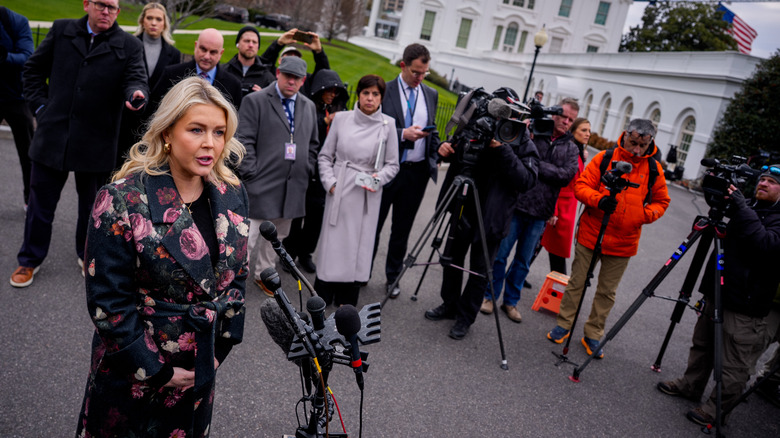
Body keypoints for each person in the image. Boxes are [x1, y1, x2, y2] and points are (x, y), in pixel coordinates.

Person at [75, 76, 248, 437]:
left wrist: (219, 350)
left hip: (199, 371)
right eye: (196, 129)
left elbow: (236, 280)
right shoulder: (122, 199)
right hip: (135, 376)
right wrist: (158, 370)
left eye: (219, 132)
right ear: (167, 132)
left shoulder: (230, 192)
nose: (209, 144)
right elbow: (108, 302)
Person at [10, 0, 147, 288]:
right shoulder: (62, 31)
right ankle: (29, 260)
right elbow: (33, 70)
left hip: (96, 141)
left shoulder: (129, 45)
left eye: (113, 7)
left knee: (92, 208)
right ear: (87, 5)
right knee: (40, 206)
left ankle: (87, 256)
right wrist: (39, 108)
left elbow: (137, 78)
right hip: (53, 135)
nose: (107, 11)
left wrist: (136, 93)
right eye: (101, 5)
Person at [657, 166, 780, 426]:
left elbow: (767, 245)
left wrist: (743, 209)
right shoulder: (747, 205)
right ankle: (690, 385)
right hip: (720, 289)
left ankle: (716, 409)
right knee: (702, 344)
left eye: (772, 182)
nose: (764, 184)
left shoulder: (767, 214)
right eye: (763, 180)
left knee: (734, 363)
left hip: (747, 303)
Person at [546, 119, 670, 357]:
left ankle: (593, 334)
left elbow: (661, 201)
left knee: (607, 292)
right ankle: (564, 324)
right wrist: (599, 200)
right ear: (625, 135)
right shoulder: (605, 157)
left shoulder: (654, 168)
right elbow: (581, 186)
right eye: (633, 143)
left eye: (642, 145)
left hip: (624, 241)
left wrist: (642, 215)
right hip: (592, 233)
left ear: (650, 142)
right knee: (577, 283)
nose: (636, 149)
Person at [425, 89, 539, 340]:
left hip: (492, 217)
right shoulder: (477, 125)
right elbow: (457, 154)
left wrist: (502, 148)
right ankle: (450, 305)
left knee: (479, 271)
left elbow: (527, 180)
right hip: (463, 205)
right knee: (451, 259)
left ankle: (465, 318)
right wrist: (447, 148)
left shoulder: (521, 138)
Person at [480, 98, 580, 323]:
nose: (565, 121)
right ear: (554, 113)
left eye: (570, 119)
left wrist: (535, 166)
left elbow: (566, 176)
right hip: (517, 204)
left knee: (523, 261)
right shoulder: (531, 131)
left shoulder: (571, 147)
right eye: (563, 115)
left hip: (541, 212)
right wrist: (540, 166)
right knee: (500, 256)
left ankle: (511, 302)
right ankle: (489, 296)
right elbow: (516, 157)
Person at [315, 75, 399, 306]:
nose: (370, 98)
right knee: (333, 245)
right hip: (340, 189)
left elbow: (393, 164)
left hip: (366, 195)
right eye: (365, 93)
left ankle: (346, 301)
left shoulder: (388, 125)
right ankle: (323, 298)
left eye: (375, 94)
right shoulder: (341, 119)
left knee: (356, 247)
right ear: (358, 95)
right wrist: (330, 183)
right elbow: (324, 156)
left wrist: (377, 179)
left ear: (381, 97)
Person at [237, 56, 319, 293]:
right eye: (287, 75)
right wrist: (251, 171)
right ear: (278, 73)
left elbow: (313, 144)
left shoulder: (308, 106)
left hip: (293, 184)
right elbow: (243, 140)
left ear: (303, 81)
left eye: (297, 78)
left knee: (277, 236)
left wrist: (307, 166)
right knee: (249, 236)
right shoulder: (256, 100)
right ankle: (234, 278)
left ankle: (265, 274)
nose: (291, 81)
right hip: (260, 182)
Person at [374, 43, 441, 298]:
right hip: (388, 169)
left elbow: (433, 128)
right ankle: (362, 274)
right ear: (403, 66)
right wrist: (402, 134)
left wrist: (436, 152)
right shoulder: (385, 90)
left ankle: (393, 277)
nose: (420, 78)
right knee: (375, 225)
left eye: (424, 73)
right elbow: (375, 127)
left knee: (402, 229)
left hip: (416, 173)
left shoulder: (431, 94)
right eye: (416, 72)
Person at [283, 69, 349, 273]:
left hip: (325, 170)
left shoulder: (339, 109)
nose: (332, 94)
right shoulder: (309, 108)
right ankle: (288, 253)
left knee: (316, 216)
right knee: (296, 215)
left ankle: (306, 253)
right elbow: (303, 131)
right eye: (328, 90)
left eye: (335, 91)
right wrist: (325, 122)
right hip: (306, 166)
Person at [116, 1, 182, 168]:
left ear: (164, 24)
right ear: (142, 21)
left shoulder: (173, 54)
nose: (154, 23)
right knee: (120, 165)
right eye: (150, 18)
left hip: (155, 121)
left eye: (158, 19)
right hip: (126, 117)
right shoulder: (129, 45)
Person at [540, 117, 590, 275]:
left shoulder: (579, 151)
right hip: (559, 205)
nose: (588, 134)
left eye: (589, 131)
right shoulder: (569, 151)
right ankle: (559, 285)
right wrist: (552, 210)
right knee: (553, 248)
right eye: (583, 130)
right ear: (573, 131)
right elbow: (556, 181)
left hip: (568, 207)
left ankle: (557, 284)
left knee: (549, 246)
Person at [154, 28, 242, 111]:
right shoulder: (171, 74)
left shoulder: (233, 85)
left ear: (221, 53)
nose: (207, 56)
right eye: (203, 49)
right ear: (196, 46)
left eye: (213, 52)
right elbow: (154, 108)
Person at [0, 6, 34, 209]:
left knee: (28, 153)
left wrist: (4, 57)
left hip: (16, 97)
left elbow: (28, 55)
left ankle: (30, 200)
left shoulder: (14, 21)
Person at [256, 27, 330, 98]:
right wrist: (279, 44)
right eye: (288, 55)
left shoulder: (306, 80)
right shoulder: (272, 73)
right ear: (280, 61)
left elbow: (323, 74)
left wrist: (319, 52)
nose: (292, 58)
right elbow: (264, 62)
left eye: (296, 56)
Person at [224, 25, 276, 98]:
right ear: (238, 44)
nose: (251, 45)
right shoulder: (224, 71)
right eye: (247, 41)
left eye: (254, 42)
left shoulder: (267, 78)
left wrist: (263, 98)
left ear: (258, 47)